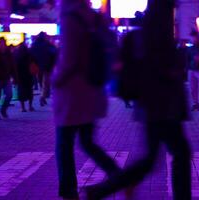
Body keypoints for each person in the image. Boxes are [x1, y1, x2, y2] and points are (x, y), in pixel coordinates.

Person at [85, 1, 191, 199]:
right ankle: (100, 190)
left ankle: (100, 190)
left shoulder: (152, 23)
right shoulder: (160, 23)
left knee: (157, 157)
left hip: (153, 103)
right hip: (162, 102)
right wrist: (172, 70)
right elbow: (159, 63)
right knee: (176, 154)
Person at [52, 0, 120, 199]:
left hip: (72, 92)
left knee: (64, 143)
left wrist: (56, 78)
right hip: (91, 89)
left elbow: (69, 57)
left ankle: (68, 190)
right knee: (87, 141)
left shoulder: (69, 16)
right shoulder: (92, 15)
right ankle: (117, 173)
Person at [30, 32, 57, 106]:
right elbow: (55, 53)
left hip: (37, 67)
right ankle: (43, 97)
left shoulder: (34, 45)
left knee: (41, 83)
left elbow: (30, 55)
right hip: (47, 67)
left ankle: (43, 96)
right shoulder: (48, 45)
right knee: (45, 83)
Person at [14, 42, 35, 112]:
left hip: (20, 77)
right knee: (30, 91)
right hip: (29, 75)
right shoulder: (29, 54)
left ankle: (23, 107)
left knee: (21, 92)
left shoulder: (17, 55)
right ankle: (30, 106)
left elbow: (15, 67)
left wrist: (15, 77)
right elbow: (33, 63)